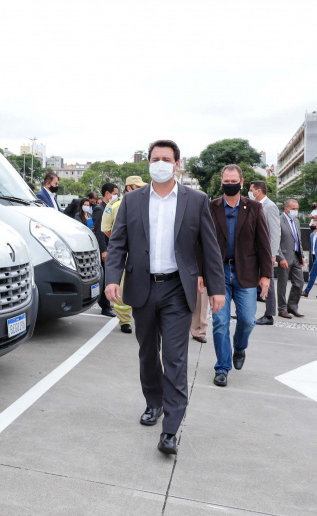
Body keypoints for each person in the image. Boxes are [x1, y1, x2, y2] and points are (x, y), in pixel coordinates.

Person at [105, 140, 225, 456]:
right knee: (148, 352)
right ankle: (154, 402)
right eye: (155, 158)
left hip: (177, 289)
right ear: (148, 163)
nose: (160, 163)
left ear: (176, 164)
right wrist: (111, 279)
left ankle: (170, 429)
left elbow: (210, 247)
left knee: (175, 358)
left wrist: (217, 288)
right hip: (142, 286)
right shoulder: (131, 201)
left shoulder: (195, 200)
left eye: (166, 159)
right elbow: (118, 243)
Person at [208, 166, 272, 387]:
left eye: (233, 181)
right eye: (226, 181)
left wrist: (266, 275)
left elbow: (264, 242)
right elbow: (201, 242)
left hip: (246, 273)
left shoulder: (254, 207)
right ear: (221, 181)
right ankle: (222, 367)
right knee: (220, 322)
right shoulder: (211, 207)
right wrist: (200, 273)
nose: (230, 184)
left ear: (241, 182)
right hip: (219, 274)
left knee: (247, 320)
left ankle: (240, 347)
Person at [102, 175, 146, 334]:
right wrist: (119, 241)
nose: (141, 190)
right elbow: (106, 228)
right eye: (138, 187)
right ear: (129, 188)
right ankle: (125, 320)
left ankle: (141, 317)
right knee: (121, 286)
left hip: (141, 251)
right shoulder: (114, 205)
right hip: (123, 251)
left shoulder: (146, 203)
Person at [249, 181, 280, 325]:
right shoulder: (252, 205)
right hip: (251, 251)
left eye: (251, 190)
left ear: (258, 191)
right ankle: (246, 312)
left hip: (265, 252)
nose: (250, 192)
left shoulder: (270, 206)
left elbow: (275, 232)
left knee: (269, 283)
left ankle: (269, 315)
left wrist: (272, 254)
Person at [277, 199, 305, 319]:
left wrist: (302, 255)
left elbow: (298, 240)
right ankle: (282, 309)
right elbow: (275, 241)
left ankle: (292, 306)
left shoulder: (296, 221)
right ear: (286, 209)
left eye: (297, 209)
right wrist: (280, 258)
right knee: (282, 284)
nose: (295, 211)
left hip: (296, 257)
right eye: (293, 209)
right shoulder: (279, 220)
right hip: (284, 257)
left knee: (299, 282)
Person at [94, 183, 119, 317]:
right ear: (107, 194)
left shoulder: (111, 207)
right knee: (105, 278)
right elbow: (99, 231)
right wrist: (103, 250)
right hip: (105, 248)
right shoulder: (100, 209)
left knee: (109, 276)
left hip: (111, 247)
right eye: (114, 193)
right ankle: (105, 306)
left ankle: (108, 303)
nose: (116, 196)